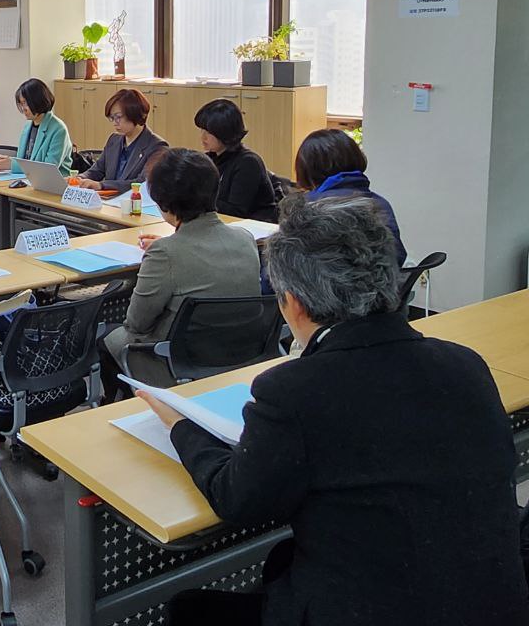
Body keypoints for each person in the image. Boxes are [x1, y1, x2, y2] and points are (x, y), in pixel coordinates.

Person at [140, 196, 529, 626]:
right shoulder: (465, 365)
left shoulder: (294, 391)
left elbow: (236, 499)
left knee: (190, 608)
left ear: (294, 303)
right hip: (493, 604)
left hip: (374, 608)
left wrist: (180, 425)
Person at [99, 148, 260, 394]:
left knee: (109, 338)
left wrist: (165, 250)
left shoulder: (164, 253)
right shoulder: (245, 238)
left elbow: (137, 323)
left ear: (164, 202)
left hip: (180, 358)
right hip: (241, 352)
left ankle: (121, 408)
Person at [294, 128, 405, 265]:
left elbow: (289, 263)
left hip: (320, 279)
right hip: (380, 278)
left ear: (307, 168)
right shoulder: (380, 203)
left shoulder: (306, 207)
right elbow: (397, 256)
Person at [194, 98, 278, 222]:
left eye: (209, 132)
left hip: (254, 225)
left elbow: (236, 211)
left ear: (224, 132)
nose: (203, 137)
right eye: (202, 130)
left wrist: (196, 199)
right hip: (221, 223)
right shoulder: (209, 159)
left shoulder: (248, 163)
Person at [78, 88, 169, 192]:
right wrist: (80, 178)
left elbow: (142, 183)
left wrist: (102, 185)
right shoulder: (114, 140)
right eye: (112, 118)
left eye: (118, 117)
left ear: (135, 114)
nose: (114, 123)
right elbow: (97, 170)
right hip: (107, 199)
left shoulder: (157, 146)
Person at [0, 78, 73, 178]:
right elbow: (26, 160)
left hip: (51, 183)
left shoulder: (58, 129)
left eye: (26, 103)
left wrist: (13, 165)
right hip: (27, 180)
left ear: (38, 101)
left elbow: (49, 169)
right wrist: (8, 161)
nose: (23, 109)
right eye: (21, 103)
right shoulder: (28, 125)